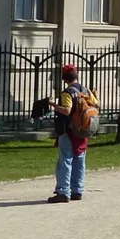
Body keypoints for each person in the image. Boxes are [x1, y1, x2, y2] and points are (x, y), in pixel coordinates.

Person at [49, 64, 98, 204]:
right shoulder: (85, 90)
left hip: (69, 130)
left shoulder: (67, 92)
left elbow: (67, 110)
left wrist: (53, 105)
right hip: (83, 130)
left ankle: (63, 191)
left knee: (65, 161)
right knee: (80, 161)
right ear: (77, 75)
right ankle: (77, 190)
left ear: (64, 79)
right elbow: (96, 105)